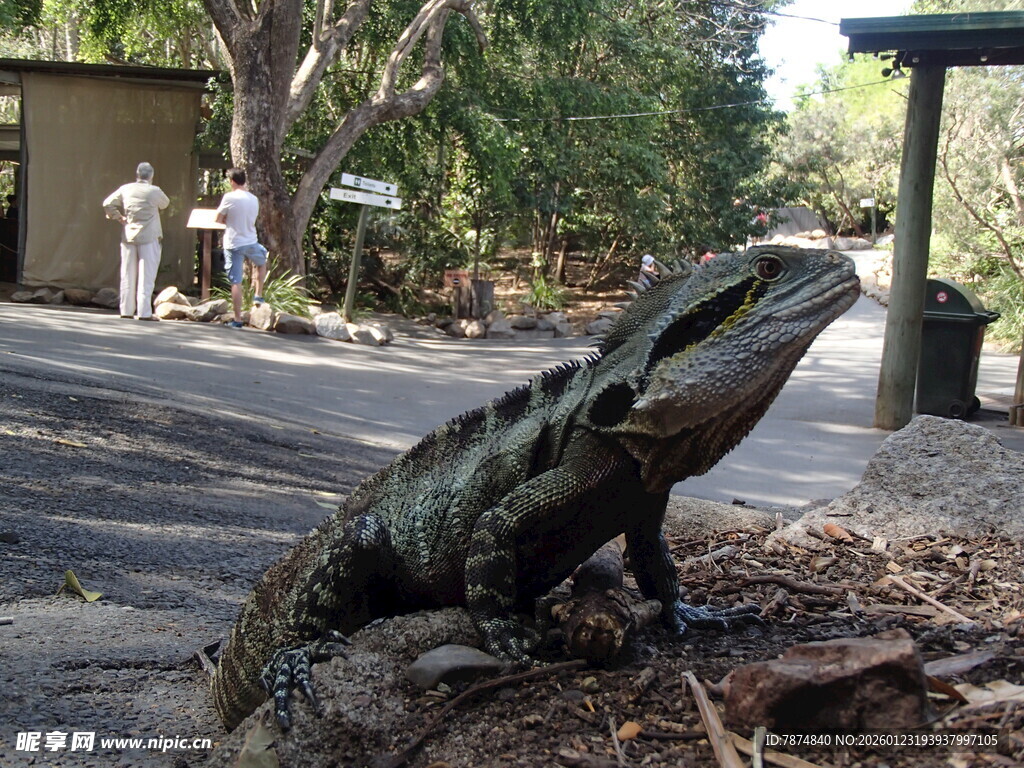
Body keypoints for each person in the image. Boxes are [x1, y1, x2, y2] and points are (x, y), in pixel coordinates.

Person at [103, 162, 170, 320]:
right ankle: (144, 312)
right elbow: (165, 203)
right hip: (149, 236)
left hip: (128, 235)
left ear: (137, 174)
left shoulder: (125, 188)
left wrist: (118, 217)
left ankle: (126, 310)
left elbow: (107, 203)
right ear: (151, 176)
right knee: (146, 276)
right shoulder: (154, 191)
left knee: (127, 274)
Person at [216, 168, 268, 329]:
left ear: (232, 181)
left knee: (236, 281)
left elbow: (218, 218)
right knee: (262, 261)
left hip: (233, 243)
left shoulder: (229, 197)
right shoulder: (254, 199)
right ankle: (258, 294)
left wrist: (227, 221)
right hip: (251, 240)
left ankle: (237, 318)